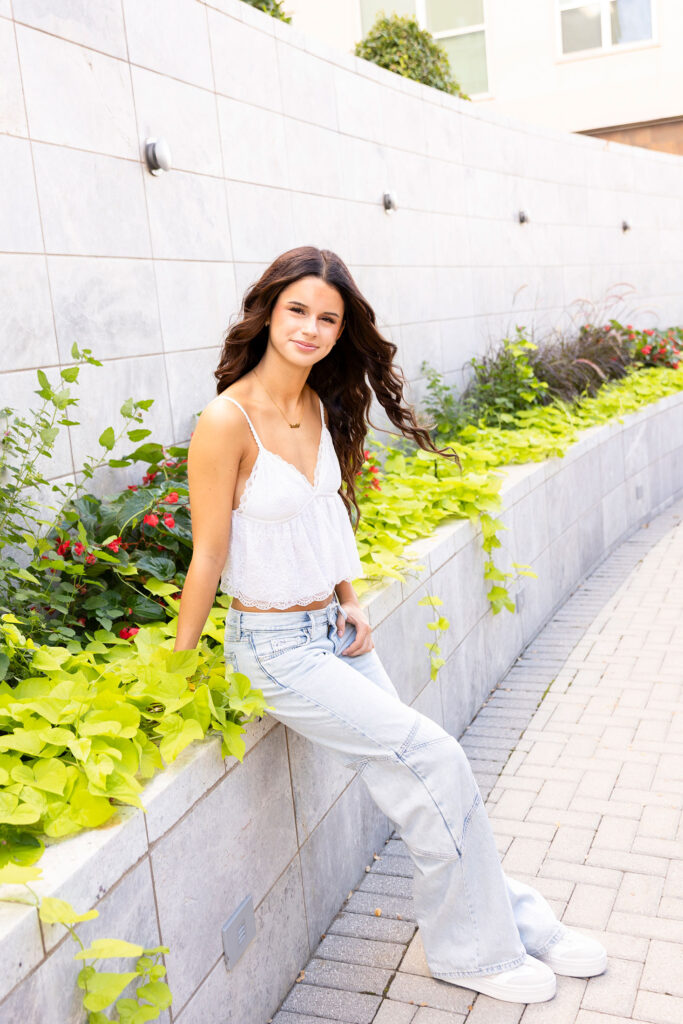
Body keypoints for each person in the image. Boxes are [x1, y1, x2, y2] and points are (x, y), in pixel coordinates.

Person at [174, 246, 607, 1004]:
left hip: (332, 631)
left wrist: (348, 596)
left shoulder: (318, 406)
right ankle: (470, 951)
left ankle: (510, 920)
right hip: (274, 652)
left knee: (425, 776)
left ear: (342, 332)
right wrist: (175, 675)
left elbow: (321, 514)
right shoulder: (225, 421)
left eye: (327, 318)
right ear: (267, 313)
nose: (309, 328)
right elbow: (208, 554)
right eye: (297, 310)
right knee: (434, 758)